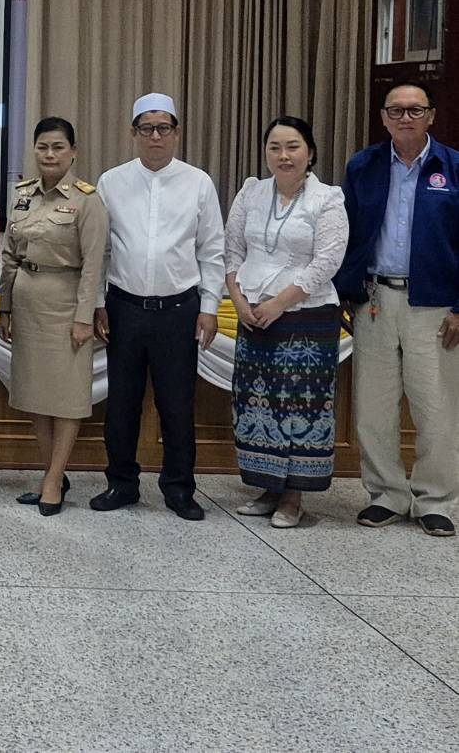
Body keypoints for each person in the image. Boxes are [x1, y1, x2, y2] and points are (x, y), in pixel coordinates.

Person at [90, 93, 224, 521]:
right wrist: (97, 303)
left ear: (176, 133)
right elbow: (101, 252)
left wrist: (209, 307)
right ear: (133, 134)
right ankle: (122, 483)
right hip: (124, 308)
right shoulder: (111, 181)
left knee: (177, 403)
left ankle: (179, 488)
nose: (155, 136)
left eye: (163, 128)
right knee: (122, 403)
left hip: (179, 309)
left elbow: (212, 251)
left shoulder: (198, 182)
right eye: (146, 128)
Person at [336, 81, 459, 537]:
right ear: (384, 118)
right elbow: (344, 234)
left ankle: (436, 499)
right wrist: (342, 292)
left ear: (431, 116)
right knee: (374, 407)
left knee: (437, 407)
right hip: (374, 300)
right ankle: (386, 494)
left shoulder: (454, 168)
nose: (405, 118)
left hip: (435, 305)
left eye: (415, 110)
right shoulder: (363, 166)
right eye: (396, 111)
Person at [225, 116, 348, 529]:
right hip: (253, 314)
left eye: (293, 146)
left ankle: (294, 496)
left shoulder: (327, 199)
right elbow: (232, 252)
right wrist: (239, 301)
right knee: (258, 402)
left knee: (302, 406)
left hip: (307, 317)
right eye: (275, 147)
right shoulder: (251, 193)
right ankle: (268, 487)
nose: (283, 155)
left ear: (310, 152)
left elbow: (327, 262)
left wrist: (280, 302)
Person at [0, 117, 107, 516]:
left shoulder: (86, 199)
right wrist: (5, 307)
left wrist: (83, 317)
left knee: (66, 398)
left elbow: (94, 265)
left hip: (66, 305)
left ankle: (53, 481)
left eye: (58, 147)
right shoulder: (22, 195)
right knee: (35, 395)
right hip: (26, 303)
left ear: (73, 152)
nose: (50, 154)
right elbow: (9, 256)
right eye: (43, 147)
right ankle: (52, 474)